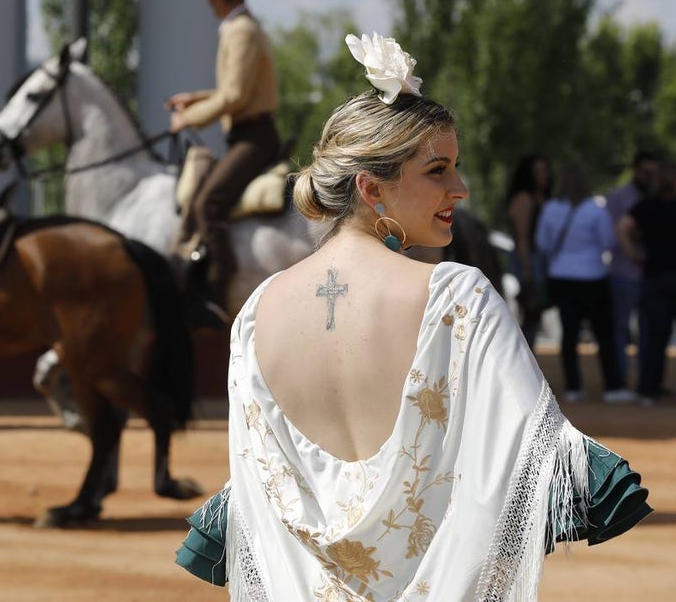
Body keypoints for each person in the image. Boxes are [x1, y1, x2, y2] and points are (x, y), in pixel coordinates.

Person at [175, 33, 650, 599]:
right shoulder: (457, 297)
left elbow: (260, 498)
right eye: (438, 170)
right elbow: (536, 460)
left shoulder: (255, 315)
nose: (461, 189)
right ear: (371, 187)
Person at [166, 0, 280, 316]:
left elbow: (234, 97)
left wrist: (188, 119)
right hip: (246, 134)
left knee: (206, 205)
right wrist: (196, 99)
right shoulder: (240, 27)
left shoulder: (240, 30)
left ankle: (221, 287)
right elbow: (232, 89)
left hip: (254, 137)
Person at [534, 162, 633, 403]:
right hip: (593, 277)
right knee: (604, 334)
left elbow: (542, 244)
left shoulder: (550, 209)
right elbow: (607, 242)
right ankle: (612, 387)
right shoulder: (595, 210)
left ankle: (573, 387)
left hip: (562, 277)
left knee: (569, 333)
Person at [618, 160, 676, 409]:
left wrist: (632, 252)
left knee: (655, 338)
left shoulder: (645, 207)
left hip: (654, 277)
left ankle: (649, 391)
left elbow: (623, 227)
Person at [605, 151, 661, 386]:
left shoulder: (659, 197)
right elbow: (613, 232)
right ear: (635, 170)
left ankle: (647, 383)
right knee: (620, 329)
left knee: (650, 330)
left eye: (653, 173)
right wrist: (631, 250)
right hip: (623, 273)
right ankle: (619, 381)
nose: (650, 177)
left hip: (651, 275)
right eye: (646, 172)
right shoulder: (618, 197)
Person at [505, 153, 552, 348]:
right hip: (530, 261)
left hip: (536, 260)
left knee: (533, 316)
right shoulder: (524, 199)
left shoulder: (538, 198)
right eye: (539, 171)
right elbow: (522, 238)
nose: (544, 175)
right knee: (531, 316)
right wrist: (527, 270)